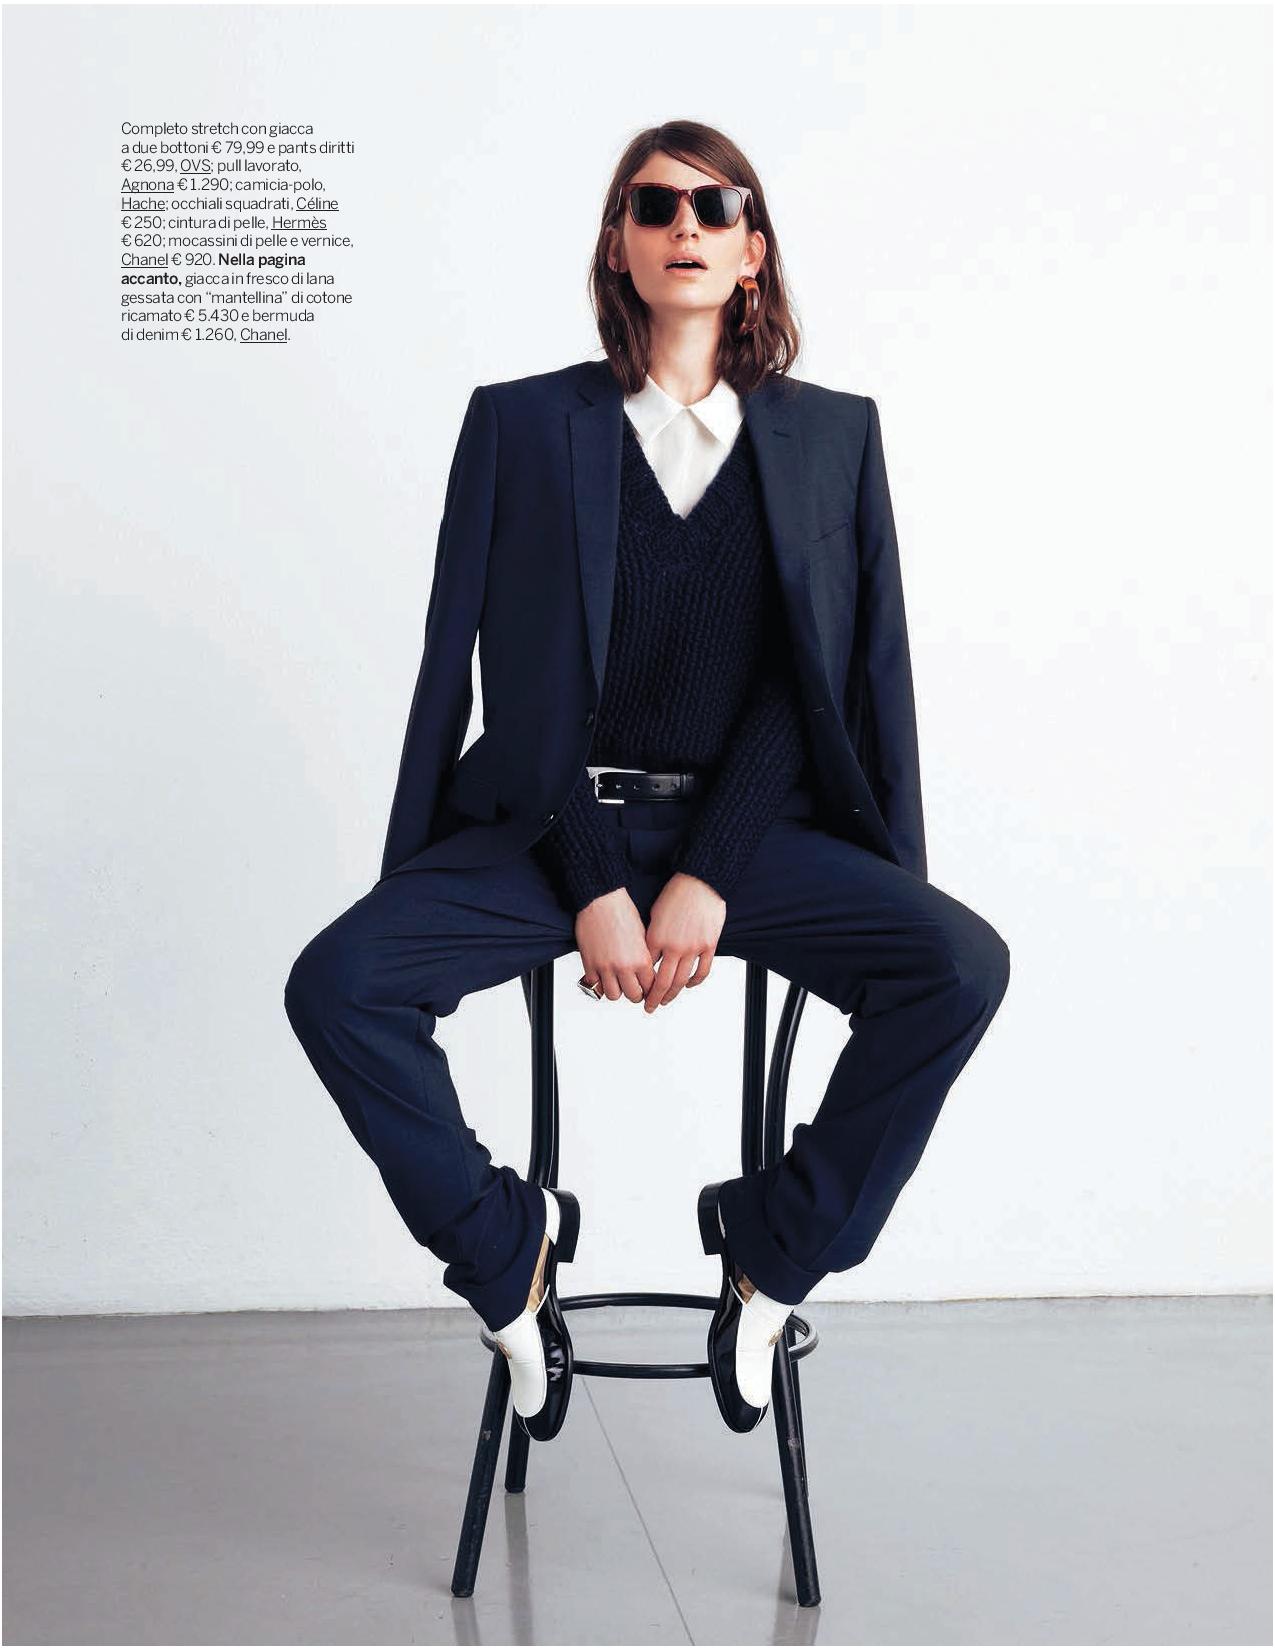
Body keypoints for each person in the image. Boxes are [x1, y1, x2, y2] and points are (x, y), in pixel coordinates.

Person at [284, 120, 1011, 1444]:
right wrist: (595, 881)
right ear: (618, 244)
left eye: (717, 207)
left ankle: (773, 1250)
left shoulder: (833, 438)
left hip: (747, 829)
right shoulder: (522, 425)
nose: (688, 225)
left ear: (753, 251)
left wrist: (707, 870)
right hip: (551, 818)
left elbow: (815, 681)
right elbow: (512, 675)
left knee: (959, 968)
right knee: (337, 985)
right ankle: (506, 1250)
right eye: (656, 204)